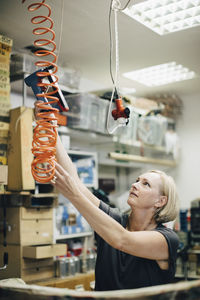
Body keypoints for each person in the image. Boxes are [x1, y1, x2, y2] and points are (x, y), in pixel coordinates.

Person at [35, 101, 180, 291]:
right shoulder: (115, 220)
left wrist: (74, 196)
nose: (135, 185)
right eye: (137, 180)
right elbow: (76, 182)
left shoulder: (166, 239)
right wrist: (50, 125)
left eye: (146, 184)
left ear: (161, 201)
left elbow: (122, 240)